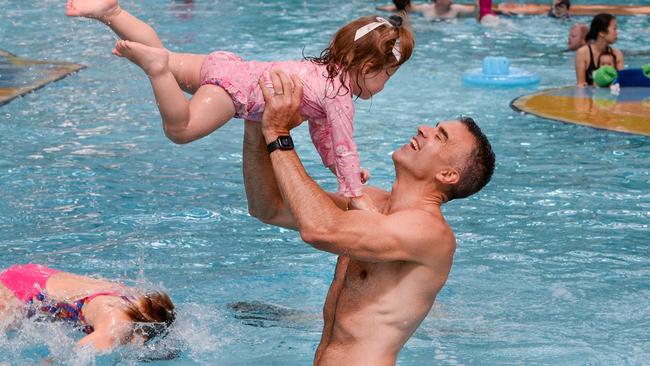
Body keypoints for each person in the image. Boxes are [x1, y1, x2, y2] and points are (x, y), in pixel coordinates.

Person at [243, 70, 495, 365]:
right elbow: (268, 207)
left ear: (447, 175)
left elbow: (319, 230)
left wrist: (278, 134)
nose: (424, 128)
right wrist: (256, 123)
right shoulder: (372, 202)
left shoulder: (430, 232)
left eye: (440, 136)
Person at [66, 0, 415, 212]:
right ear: (368, 69)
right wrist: (354, 193)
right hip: (235, 92)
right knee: (181, 129)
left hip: (229, 67)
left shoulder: (325, 74)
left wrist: (336, 168)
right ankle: (155, 70)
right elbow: (345, 145)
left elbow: (323, 134)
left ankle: (113, 12)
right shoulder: (339, 94)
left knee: (168, 55)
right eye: (389, 75)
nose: (386, 85)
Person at [0, 264, 175, 352]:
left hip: (35, 274)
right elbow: (67, 359)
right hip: (17, 292)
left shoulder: (133, 297)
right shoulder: (117, 325)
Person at [575, 13, 624, 87]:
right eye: (614, 29)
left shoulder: (617, 54)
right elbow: (581, 85)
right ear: (602, 33)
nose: (617, 32)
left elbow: (622, 83)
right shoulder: (583, 53)